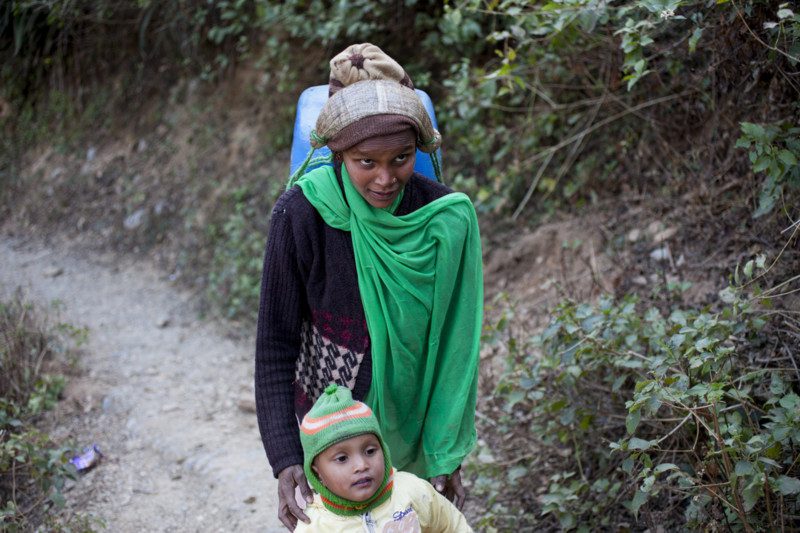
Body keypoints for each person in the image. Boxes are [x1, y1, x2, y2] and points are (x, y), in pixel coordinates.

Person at [255, 42, 483, 530]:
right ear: (338, 154)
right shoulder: (301, 216)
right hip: (338, 440)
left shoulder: (442, 220)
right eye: (366, 162)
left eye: (401, 159)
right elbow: (276, 343)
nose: (386, 178)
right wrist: (286, 459)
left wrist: (446, 454)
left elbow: (455, 351)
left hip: (417, 427)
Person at [296, 384, 473, 532]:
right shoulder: (315, 526)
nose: (361, 465)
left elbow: (452, 526)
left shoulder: (411, 491)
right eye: (342, 458)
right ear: (317, 473)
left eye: (370, 451)